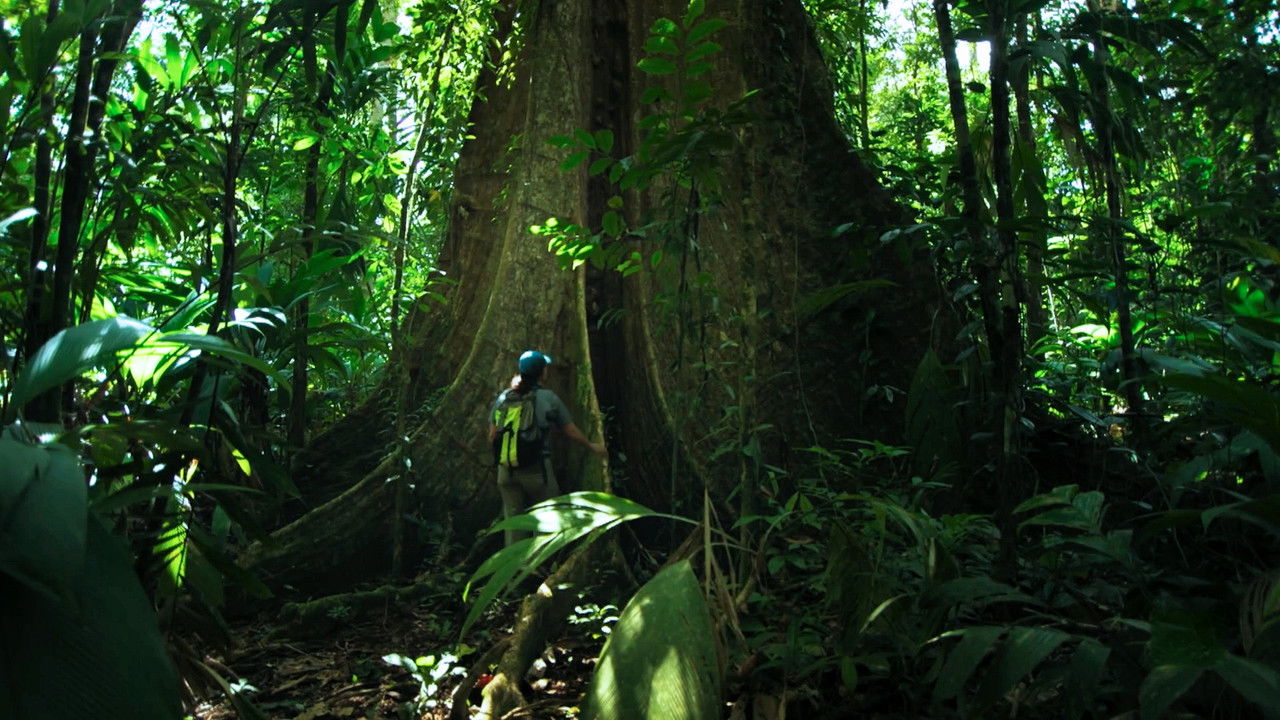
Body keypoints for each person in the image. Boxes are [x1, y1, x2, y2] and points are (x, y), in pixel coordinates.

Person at [488, 350, 605, 546]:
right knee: (548, 515)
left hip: (505, 472)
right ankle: (540, 563)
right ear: (542, 373)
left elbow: (492, 434)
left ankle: (515, 568)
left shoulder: (504, 398)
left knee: (513, 522)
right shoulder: (547, 398)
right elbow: (570, 430)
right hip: (536, 472)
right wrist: (591, 446)